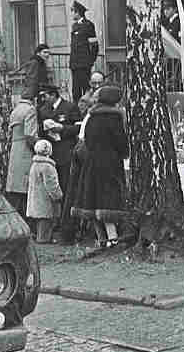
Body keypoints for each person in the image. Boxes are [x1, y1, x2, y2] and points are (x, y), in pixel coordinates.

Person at [73, 84, 128, 247]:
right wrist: (125, 152)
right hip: (110, 164)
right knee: (108, 202)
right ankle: (113, 239)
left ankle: (101, 238)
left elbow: (87, 141)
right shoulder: (115, 118)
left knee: (92, 201)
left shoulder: (91, 117)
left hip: (91, 164)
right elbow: (121, 143)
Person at [37, 84, 81, 242]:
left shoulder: (70, 107)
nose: (43, 99)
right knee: (51, 190)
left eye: (45, 95)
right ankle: (55, 225)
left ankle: (67, 225)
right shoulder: (43, 110)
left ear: (53, 95)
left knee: (66, 187)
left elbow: (78, 128)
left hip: (66, 153)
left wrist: (62, 128)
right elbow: (40, 132)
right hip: (51, 155)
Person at [5, 87, 39, 225]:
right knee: (26, 190)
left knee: (16, 190)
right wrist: (41, 145)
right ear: (34, 99)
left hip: (15, 151)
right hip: (25, 152)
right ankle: (27, 225)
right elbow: (30, 135)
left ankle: (14, 223)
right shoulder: (30, 110)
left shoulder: (15, 110)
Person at [26, 140, 63, 243]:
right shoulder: (48, 166)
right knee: (45, 223)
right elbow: (52, 185)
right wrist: (59, 196)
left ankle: (40, 238)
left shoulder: (34, 165)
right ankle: (44, 240)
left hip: (35, 200)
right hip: (45, 201)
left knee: (39, 222)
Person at [69, 0, 99, 103]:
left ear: (78, 12)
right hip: (75, 65)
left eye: (72, 11)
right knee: (75, 92)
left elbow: (94, 45)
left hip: (84, 64)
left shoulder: (88, 25)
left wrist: (90, 62)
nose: (72, 13)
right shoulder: (74, 25)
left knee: (86, 90)